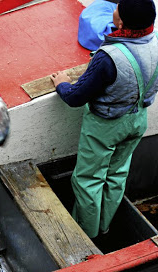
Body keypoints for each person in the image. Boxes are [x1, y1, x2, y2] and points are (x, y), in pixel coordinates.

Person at [51, 0, 158, 239]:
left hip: (106, 126)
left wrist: (62, 84)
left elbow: (76, 97)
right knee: (117, 175)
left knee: (88, 180)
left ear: (120, 21)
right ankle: (105, 228)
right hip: (138, 119)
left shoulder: (108, 57)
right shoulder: (156, 41)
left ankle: (86, 237)